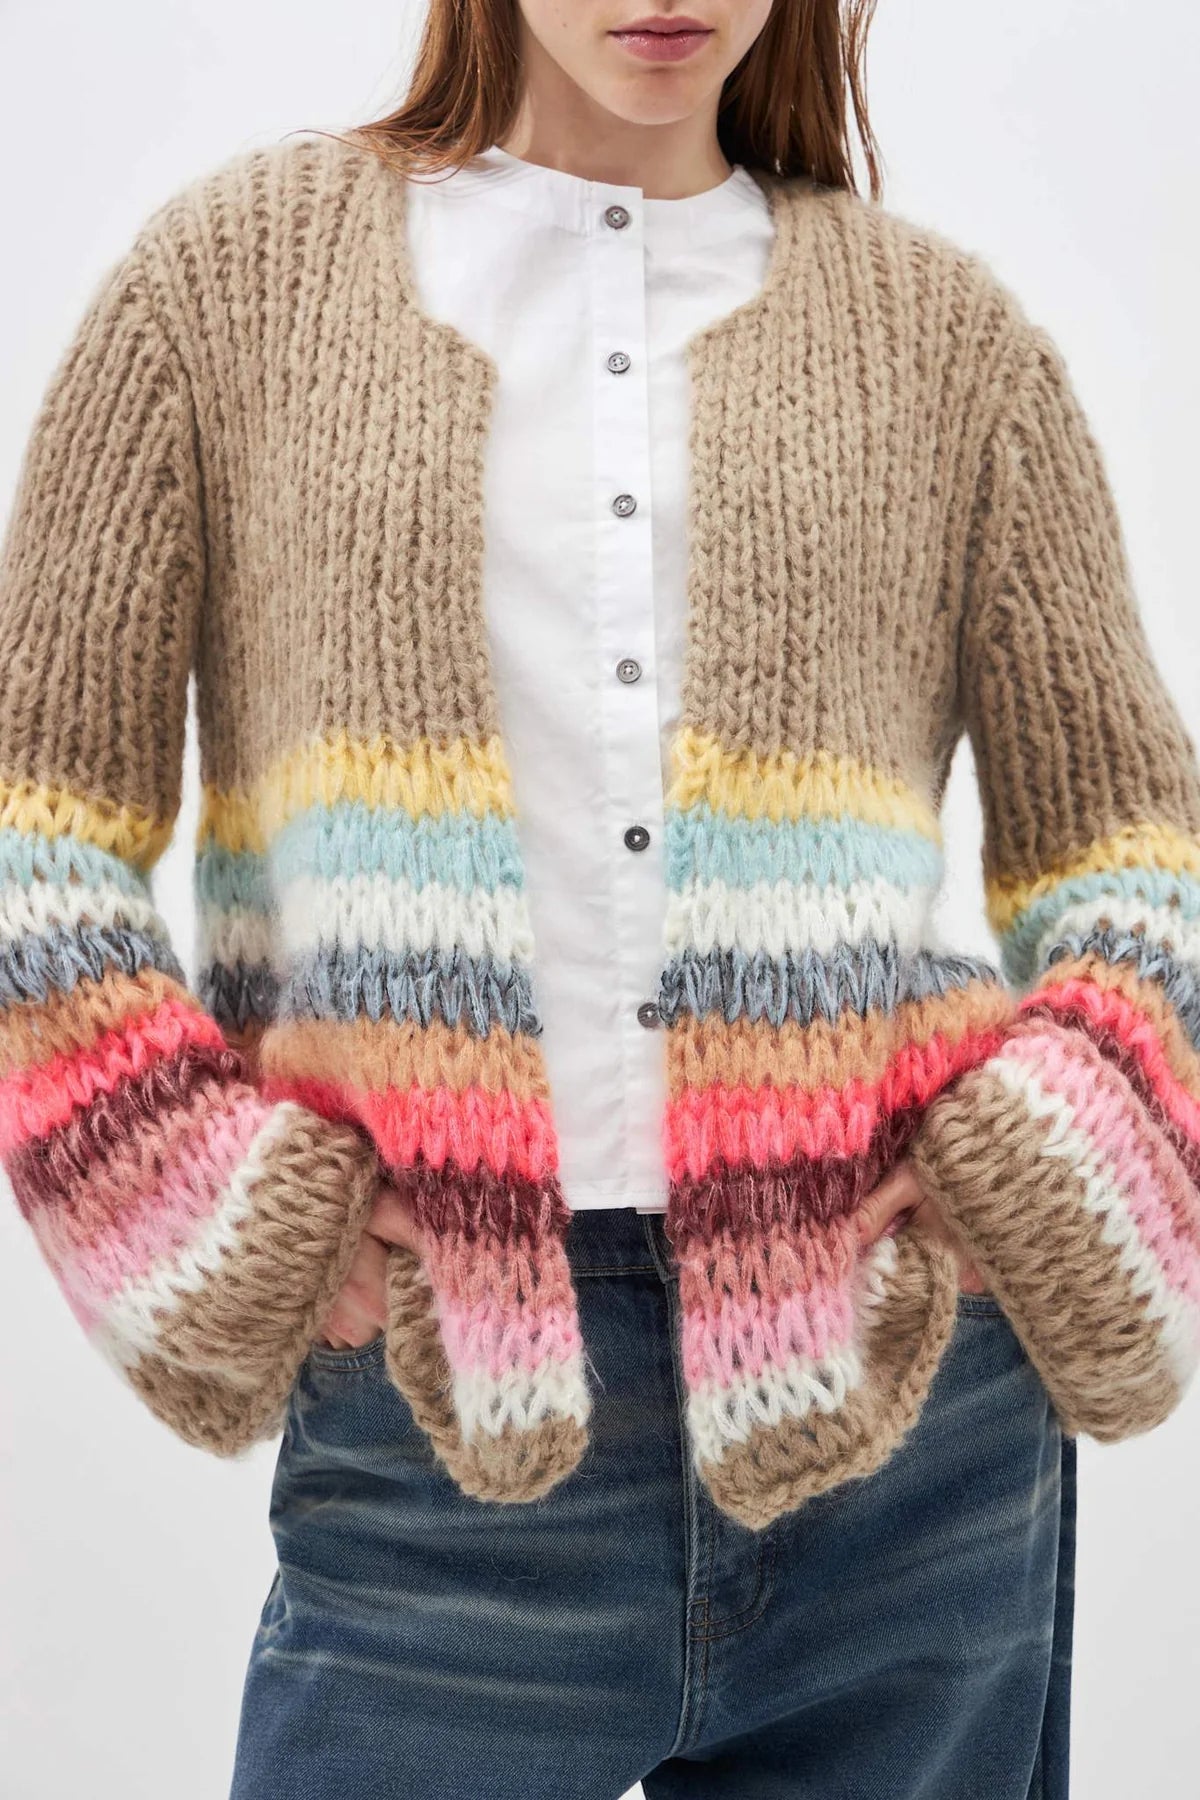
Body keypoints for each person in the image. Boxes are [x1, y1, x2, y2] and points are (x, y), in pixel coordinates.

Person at [1, 3, 1196, 1795]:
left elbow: (1135, 838)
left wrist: (1035, 1154)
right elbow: (34, 824)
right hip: (442, 1434)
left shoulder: (952, 345)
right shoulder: (225, 293)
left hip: (915, 1440)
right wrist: (210, 1208)